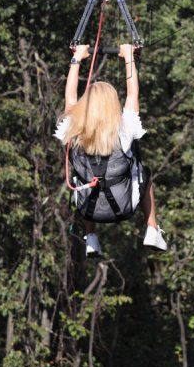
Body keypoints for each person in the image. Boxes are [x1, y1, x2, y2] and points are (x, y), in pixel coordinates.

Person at [57, 42, 167, 257]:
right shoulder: (124, 130)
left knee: (85, 179)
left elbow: (70, 99)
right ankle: (152, 227)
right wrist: (129, 57)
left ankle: (91, 237)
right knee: (144, 173)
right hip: (124, 206)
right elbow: (133, 94)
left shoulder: (73, 129)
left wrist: (76, 58)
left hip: (89, 208)